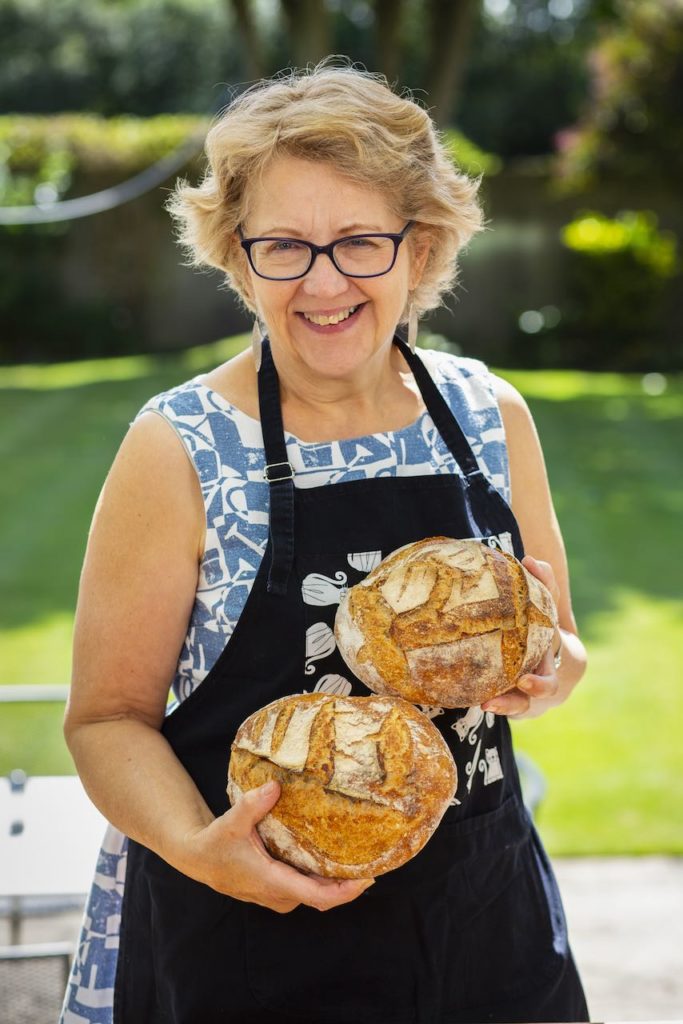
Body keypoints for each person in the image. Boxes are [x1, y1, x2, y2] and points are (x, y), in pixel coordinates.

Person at [61, 61, 589, 1024]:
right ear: (236, 256)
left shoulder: (487, 414)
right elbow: (104, 721)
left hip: (483, 926)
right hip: (248, 946)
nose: (324, 281)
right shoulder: (180, 446)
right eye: (284, 247)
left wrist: (554, 670)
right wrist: (196, 846)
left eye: (359, 242)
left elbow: (557, 633)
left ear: (419, 250)